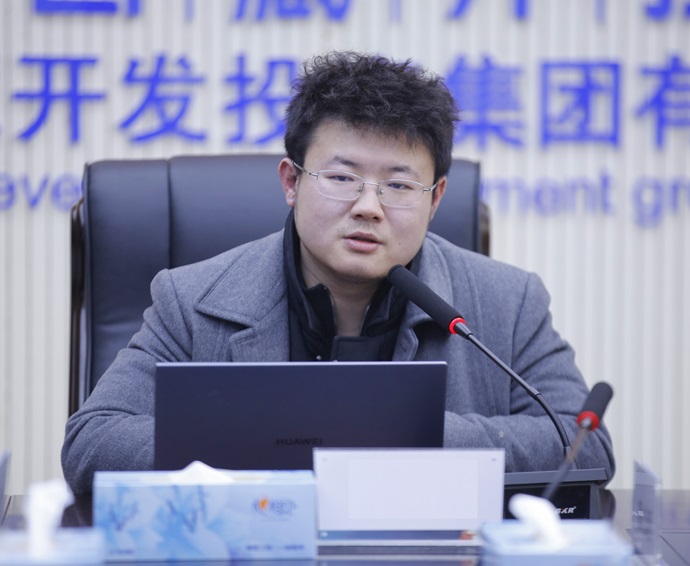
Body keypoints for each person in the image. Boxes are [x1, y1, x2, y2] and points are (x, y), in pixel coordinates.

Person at [62, 51, 615, 494]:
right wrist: (278, 438)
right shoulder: (191, 299)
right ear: (291, 182)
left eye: (399, 185)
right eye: (343, 178)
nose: (369, 207)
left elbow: (584, 444)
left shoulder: (508, 300)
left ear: (435, 199)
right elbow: (92, 443)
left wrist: (411, 436)